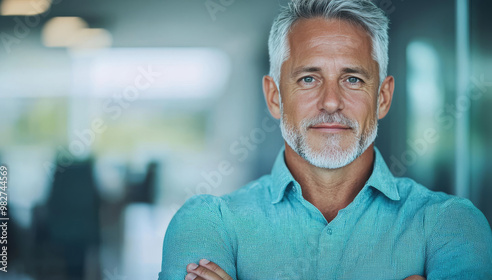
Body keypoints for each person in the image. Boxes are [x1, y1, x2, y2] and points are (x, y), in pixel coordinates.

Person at [158, 0, 492, 279]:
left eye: (352, 78)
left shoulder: (452, 224)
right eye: (308, 78)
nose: (331, 102)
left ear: (383, 97)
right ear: (275, 97)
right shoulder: (207, 222)